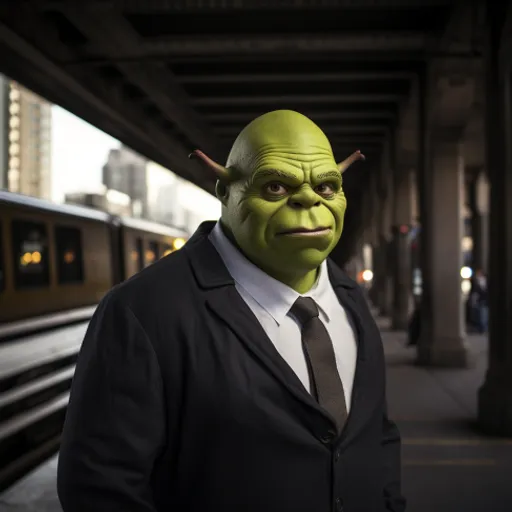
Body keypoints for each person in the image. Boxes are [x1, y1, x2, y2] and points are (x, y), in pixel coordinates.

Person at [57, 110, 406, 512]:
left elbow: (377, 436)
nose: (309, 200)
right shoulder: (141, 312)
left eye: (328, 186)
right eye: (275, 186)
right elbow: (101, 489)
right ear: (225, 191)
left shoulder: (351, 298)